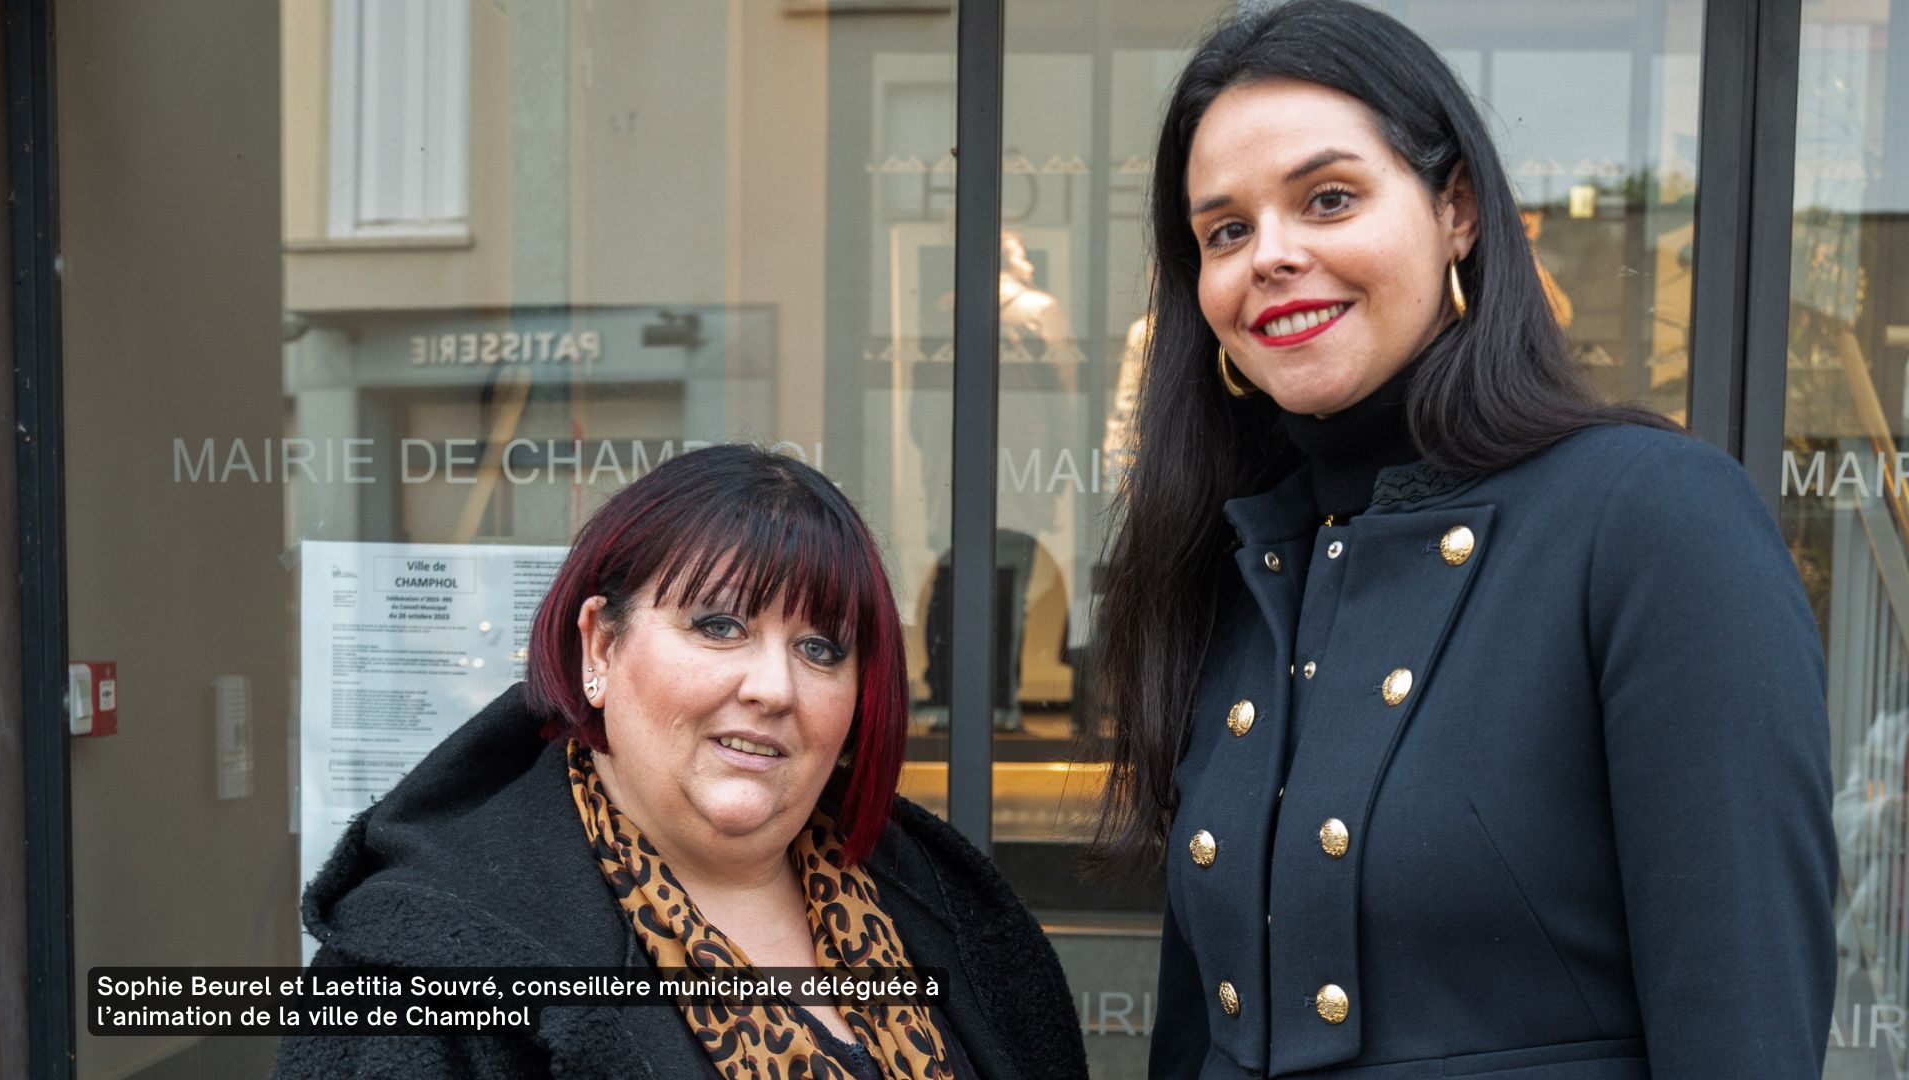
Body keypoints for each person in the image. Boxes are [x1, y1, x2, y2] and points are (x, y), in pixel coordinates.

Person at [1088, 3, 1836, 1078]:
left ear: (1459, 210)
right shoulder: (1245, 563)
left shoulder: (1655, 521)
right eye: (1225, 231)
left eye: (1328, 198)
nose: (1271, 257)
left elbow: (1743, 1035)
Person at [275, 444, 1087, 1079]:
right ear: (599, 643)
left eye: (819, 647)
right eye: (719, 626)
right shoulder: (421, 964)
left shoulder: (949, 906)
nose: (773, 687)